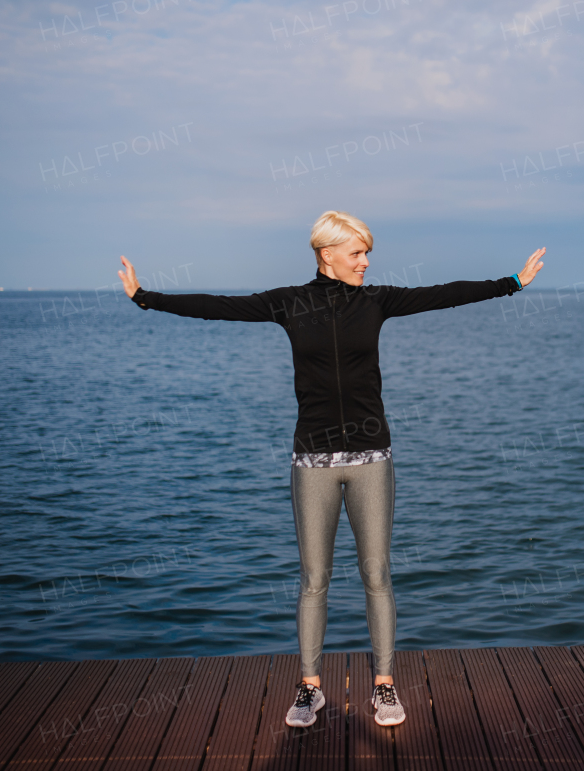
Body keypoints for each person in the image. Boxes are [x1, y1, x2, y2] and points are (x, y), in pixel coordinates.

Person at [117, 211, 545, 728]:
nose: (365, 262)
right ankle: (310, 688)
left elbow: (442, 294)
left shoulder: (376, 301)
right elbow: (218, 307)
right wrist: (146, 297)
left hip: (371, 459)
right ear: (327, 255)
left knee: (376, 574)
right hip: (312, 461)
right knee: (314, 579)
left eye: (367, 253)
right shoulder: (290, 303)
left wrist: (512, 283)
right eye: (357, 253)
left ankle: (384, 687)